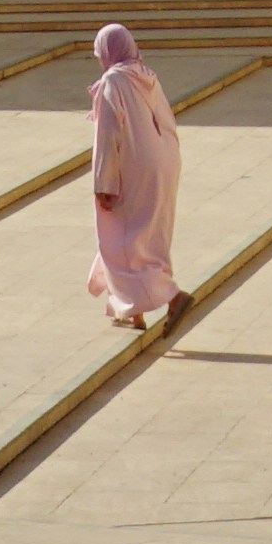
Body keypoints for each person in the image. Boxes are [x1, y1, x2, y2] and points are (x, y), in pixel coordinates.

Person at [80, 21, 181, 327]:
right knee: (140, 235)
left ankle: (174, 297)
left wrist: (104, 183)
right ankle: (127, 308)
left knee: (123, 241)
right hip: (163, 161)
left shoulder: (114, 81)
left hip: (133, 167)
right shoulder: (145, 75)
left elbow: (109, 134)